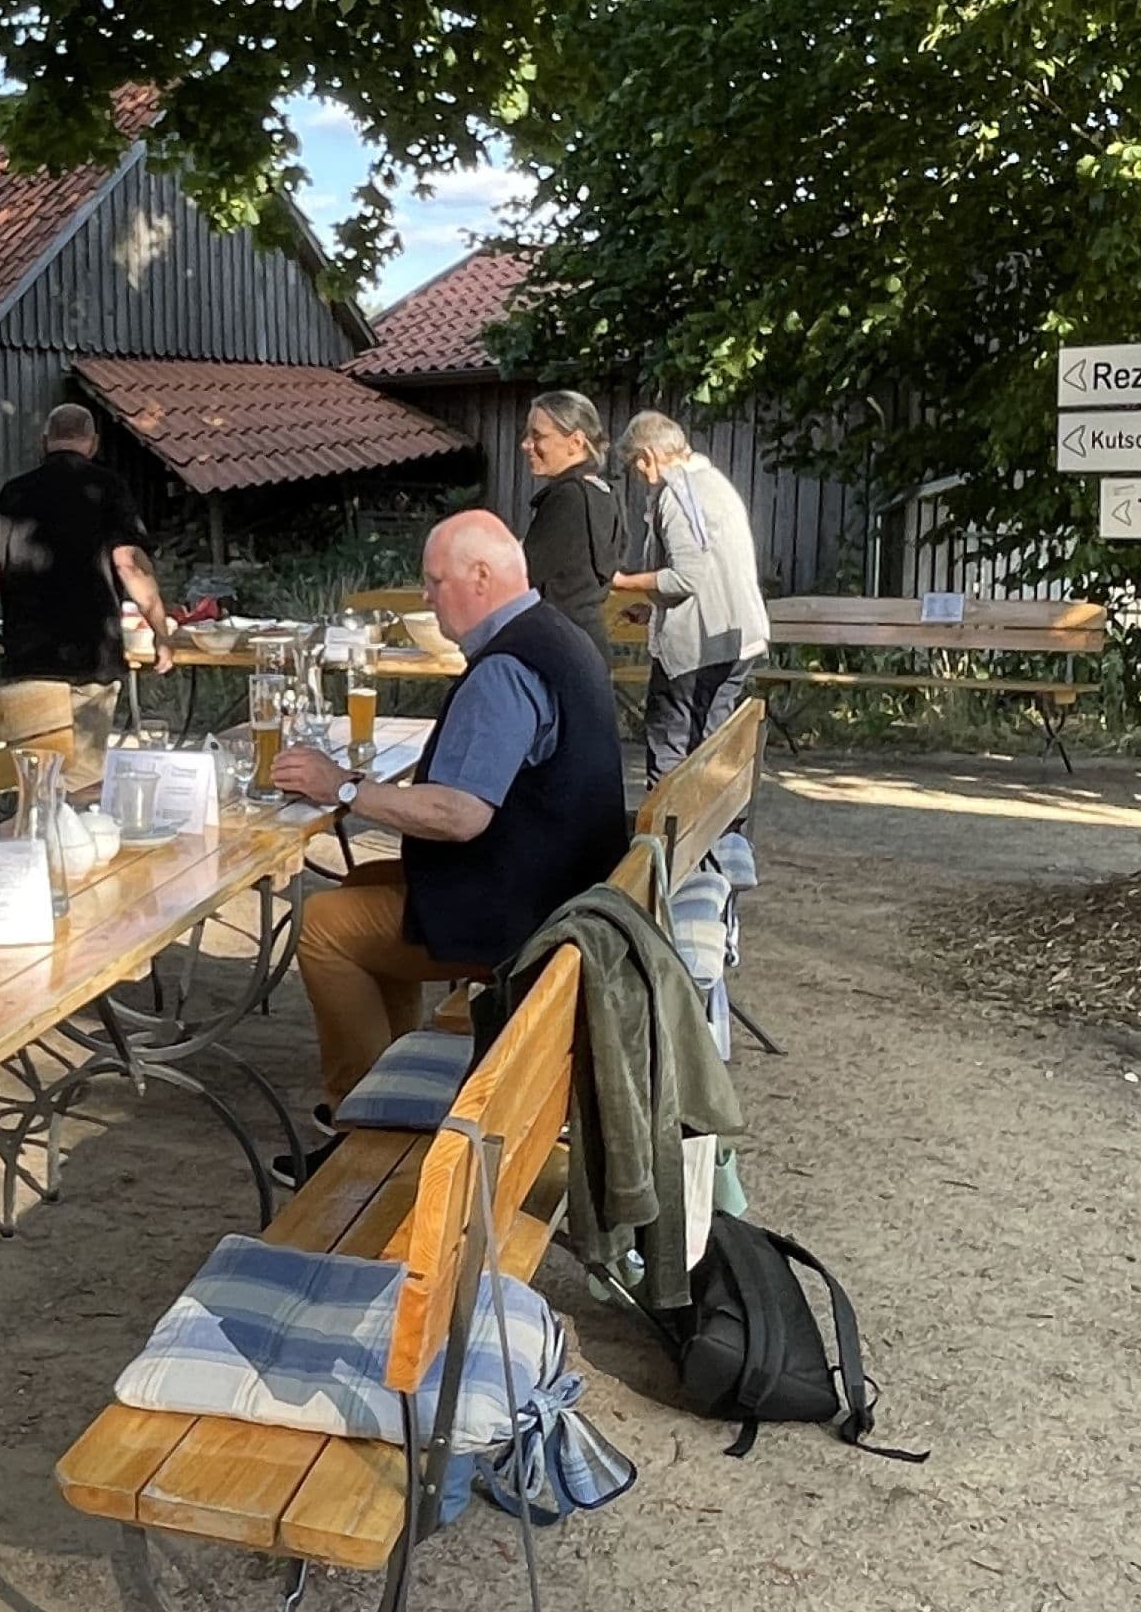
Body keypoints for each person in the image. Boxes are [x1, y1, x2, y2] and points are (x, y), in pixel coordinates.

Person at [268, 510, 629, 1105]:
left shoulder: (505, 670)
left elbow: (461, 816)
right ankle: (393, 1064)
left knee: (321, 926)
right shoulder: (558, 634)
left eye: (435, 583)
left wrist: (345, 790)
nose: (428, 599)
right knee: (362, 881)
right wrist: (352, 785)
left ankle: (358, 1112)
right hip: (567, 888)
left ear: (480, 576)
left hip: (529, 920)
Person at [0, 403, 171, 769]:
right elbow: (129, 564)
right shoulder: (109, 488)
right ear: (92, 443)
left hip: (28, 658)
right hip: (89, 658)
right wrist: (160, 630)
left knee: (32, 777)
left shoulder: (14, 492)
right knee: (81, 778)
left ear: (44, 441)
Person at [608, 410, 770, 781]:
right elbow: (713, 570)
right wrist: (653, 609)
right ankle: (721, 835)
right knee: (712, 748)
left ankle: (666, 836)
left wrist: (621, 581)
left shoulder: (678, 493)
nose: (638, 475)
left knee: (672, 746)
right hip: (738, 636)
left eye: (635, 464)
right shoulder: (715, 483)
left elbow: (687, 577)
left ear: (647, 456)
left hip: (698, 648)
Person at [515, 389, 624, 668]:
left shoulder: (567, 497)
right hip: (589, 644)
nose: (526, 445)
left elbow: (524, 577)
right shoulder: (605, 492)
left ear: (575, 441)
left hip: (557, 649)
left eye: (538, 436)